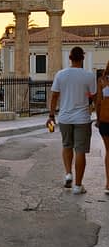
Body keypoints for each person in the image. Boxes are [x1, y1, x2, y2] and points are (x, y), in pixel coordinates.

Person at [46, 46, 96, 195]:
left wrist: (51, 116)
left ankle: (68, 174)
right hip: (82, 118)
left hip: (65, 118)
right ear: (83, 58)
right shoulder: (89, 76)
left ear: (70, 58)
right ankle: (78, 186)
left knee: (67, 145)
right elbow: (92, 95)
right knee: (80, 150)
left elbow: (54, 96)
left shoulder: (60, 75)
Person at [95, 61, 109, 194]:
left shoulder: (102, 81)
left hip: (105, 120)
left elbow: (98, 102)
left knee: (108, 152)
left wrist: (98, 119)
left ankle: (108, 184)